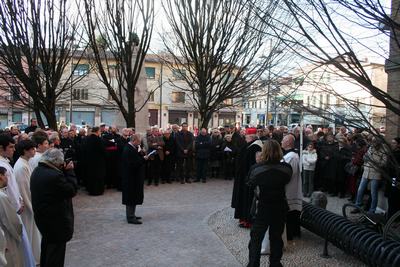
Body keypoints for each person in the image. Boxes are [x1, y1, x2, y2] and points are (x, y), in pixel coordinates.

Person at [246, 140, 292, 267]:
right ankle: (275, 263)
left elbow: (250, 183)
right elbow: (287, 179)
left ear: (264, 151)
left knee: (256, 238)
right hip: (279, 205)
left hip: (262, 207)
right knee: (276, 238)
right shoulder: (286, 168)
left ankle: (254, 264)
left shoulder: (256, 169)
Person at [30, 148, 78, 267]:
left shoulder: (37, 170)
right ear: (56, 162)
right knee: (56, 254)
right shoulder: (54, 175)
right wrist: (70, 172)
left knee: (47, 248)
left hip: (43, 219)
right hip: (56, 222)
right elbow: (71, 190)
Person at [0, 166, 34, 267]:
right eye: (6, 176)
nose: (8, 179)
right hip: (7, 238)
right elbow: (11, 221)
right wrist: (19, 234)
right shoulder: (2, 197)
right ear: (1, 176)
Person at [14, 140, 41, 264]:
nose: (35, 150)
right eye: (32, 149)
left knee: (34, 234)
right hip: (28, 208)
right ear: (25, 150)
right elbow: (24, 190)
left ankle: (36, 257)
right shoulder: (21, 167)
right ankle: (33, 260)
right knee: (30, 234)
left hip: (31, 204)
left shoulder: (25, 163)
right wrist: (33, 208)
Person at [232, 128, 263, 228]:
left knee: (248, 199)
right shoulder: (251, 145)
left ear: (250, 137)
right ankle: (244, 218)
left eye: (246, 137)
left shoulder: (255, 147)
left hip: (247, 178)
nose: (245, 139)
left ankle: (247, 220)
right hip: (244, 176)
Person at [354, 137, 387, 213]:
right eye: (373, 141)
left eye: (375, 141)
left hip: (375, 173)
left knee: (373, 193)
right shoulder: (371, 148)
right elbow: (365, 157)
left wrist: (373, 161)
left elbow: (384, 163)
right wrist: (365, 160)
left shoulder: (384, 150)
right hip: (366, 171)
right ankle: (357, 206)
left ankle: (372, 210)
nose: (373, 143)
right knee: (360, 190)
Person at [121, 134, 148, 224]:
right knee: (131, 197)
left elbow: (136, 159)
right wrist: (143, 159)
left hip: (134, 177)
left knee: (134, 196)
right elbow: (133, 164)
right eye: (139, 142)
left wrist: (141, 153)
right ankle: (130, 217)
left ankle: (132, 214)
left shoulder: (132, 148)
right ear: (134, 140)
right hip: (130, 178)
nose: (140, 143)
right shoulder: (128, 149)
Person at [282, 134, 302, 240]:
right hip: (289, 188)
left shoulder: (292, 157)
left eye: (283, 140)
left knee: (290, 212)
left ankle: (291, 234)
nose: (281, 141)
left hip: (290, 189)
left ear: (288, 142)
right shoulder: (288, 155)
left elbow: (288, 174)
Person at [81, 126, 106, 196]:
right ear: (97, 131)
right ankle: (98, 191)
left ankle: (91, 190)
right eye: (99, 131)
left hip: (89, 162)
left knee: (91, 176)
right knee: (98, 177)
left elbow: (83, 149)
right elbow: (103, 150)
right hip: (98, 162)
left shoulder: (87, 139)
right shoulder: (99, 140)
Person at [387, 137, 400, 219]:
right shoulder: (392, 152)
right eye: (392, 143)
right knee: (391, 198)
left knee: (393, 198)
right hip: (390, 177)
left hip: (395, 179)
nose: (392, 144)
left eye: (394, 143)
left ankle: (393, 218)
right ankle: (390, 216)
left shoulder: (397, 154)